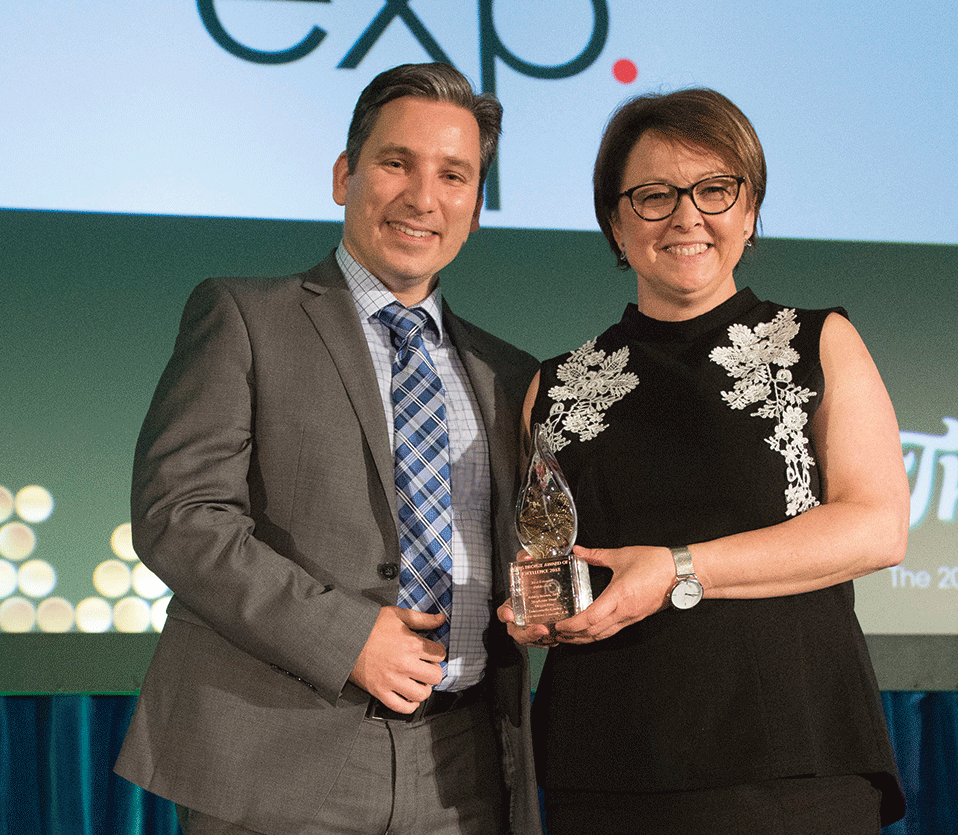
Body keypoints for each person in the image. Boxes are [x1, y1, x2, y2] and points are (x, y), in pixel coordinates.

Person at [115, 63, 542, 835]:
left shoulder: (507, 373)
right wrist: (346, 638)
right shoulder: (245, 316)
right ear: (345, 175)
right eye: (395, 163)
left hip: (466, 767)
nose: (423, 197)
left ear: (476, 207)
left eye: (455, 175)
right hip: (278, 753)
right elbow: (180, 516)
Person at [500, 88, 909, 834]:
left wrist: (675, 569)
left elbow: (878, 528)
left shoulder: (816, 344)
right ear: (616, 225)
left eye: (714, 190)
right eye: (655, 196)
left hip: (793, 756)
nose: (687, 216)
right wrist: (537, 611)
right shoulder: (553, 386)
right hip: (609, 763)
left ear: (748, 213)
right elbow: (547, 554)